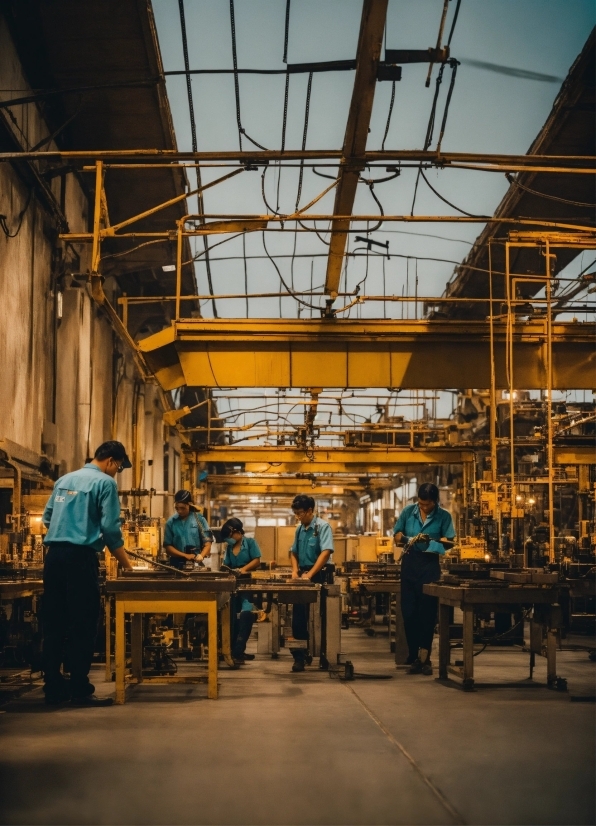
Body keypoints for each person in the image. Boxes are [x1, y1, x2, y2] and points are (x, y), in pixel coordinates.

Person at [42, 440, 134, 706]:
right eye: (119, 467)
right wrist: (128, 567)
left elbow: (48, 518)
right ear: (111, 461)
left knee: (54, 623)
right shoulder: (105, 483)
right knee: (82, 623)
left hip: (55, 559)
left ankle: (53, 688)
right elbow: (111, 530)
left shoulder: (64, 480)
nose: (117, 472)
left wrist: (68, 527)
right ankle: (80, 689)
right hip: (81, 559)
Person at [393, 482, 455, 675]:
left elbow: (450, 541)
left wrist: (433, 542)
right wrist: (407, 540)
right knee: (409, 612)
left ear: (435, 502)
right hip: (410, 564)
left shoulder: (444, 516)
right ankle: (413, 655)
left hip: (429, 565)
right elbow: (396, 535)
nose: (423, 508)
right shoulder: (408, 512)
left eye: (427, 505)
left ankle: (424, 658)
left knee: (427, 614)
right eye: (421, 504)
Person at [289, 494, 334, 673]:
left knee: (321, 618)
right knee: (298, 618)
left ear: (309, 511)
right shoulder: (300, 529)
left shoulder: (322, 527)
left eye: (300, 513)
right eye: (295, 514)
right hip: (303, 575)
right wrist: (295, 571)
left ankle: (324, 655)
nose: (298, 517)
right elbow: (293, 552)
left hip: (320, 575)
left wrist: (311, 575)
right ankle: (300, 656)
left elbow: (326, 552)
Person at [220, 517, 261, 665]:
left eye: (230, 537)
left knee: (246, 616)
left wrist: (243, 570)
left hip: (248, 583)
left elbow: (257, 560)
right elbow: (226, 564)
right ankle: (233, 650)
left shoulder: (250, 543)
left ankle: (238, 650)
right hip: (234, 585)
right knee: (233, 618)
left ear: (237, 532)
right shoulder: (229, 548)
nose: (229, 540)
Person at [163, 490, 213, 570]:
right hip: (176, 565)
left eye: (182, 508)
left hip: (196, 563)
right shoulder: (171, 522)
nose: (179, 511)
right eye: (177, 508)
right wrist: (185, 555)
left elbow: (208, 543)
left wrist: (201, 555)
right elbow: (168, 547)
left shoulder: (199, 519)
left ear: (189, 505)